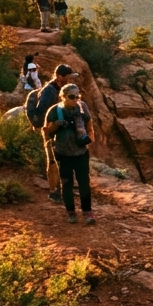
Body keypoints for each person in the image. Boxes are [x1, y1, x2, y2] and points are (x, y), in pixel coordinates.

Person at [43, 83, 94, 223]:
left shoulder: (83, 108)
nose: (75, 99)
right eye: (72, 97)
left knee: (84, 184)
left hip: (81, 153)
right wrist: (56, 125)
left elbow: (89, 124)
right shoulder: (54, 111)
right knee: (67, 184)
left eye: (77, 96)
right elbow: (46, 132)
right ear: (63, 97)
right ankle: (71, 213)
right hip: (62, 154)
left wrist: (89, 139)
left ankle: (87, 212)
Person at [30, 64, 75, 204]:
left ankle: (63, 190)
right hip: (50, 130)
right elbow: (41, 109)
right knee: (52, 161)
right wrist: (50, 124)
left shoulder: (59, 89)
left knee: (64, 160)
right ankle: (53, 192)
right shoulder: (49, 90)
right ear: (59, 76)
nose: (68, 79)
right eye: (67, 76)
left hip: (61, 130)